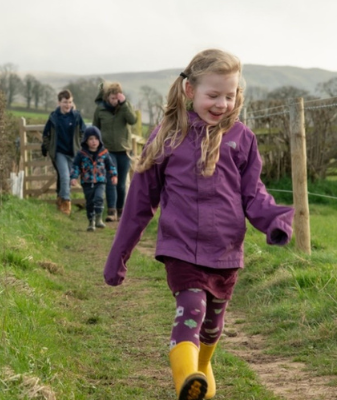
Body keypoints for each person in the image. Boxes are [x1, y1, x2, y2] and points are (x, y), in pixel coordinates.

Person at [103, 49, 294, 400]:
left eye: (230, 94)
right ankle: (185, 379)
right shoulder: (167, 137)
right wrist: (119, 255)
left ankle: (201, 371)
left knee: (212, 326)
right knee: (190, 309)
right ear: (190, 92)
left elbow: (253, 194)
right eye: (213, 95)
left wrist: (274, 221)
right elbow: (139, 203)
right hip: (181, 249)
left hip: (225, 252)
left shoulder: (242, 139)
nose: (223, 103)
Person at [93, 82, 137, 222]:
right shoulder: (100, 110)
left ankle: (120, 210)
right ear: (107, 97)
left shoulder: (125, 107)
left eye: (116, 98)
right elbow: (95, 129)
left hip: (123, 150)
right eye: (112, 98)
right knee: (111, 180)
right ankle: (111, 211)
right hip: (107, 150)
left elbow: (132, 120)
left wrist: (123, 104)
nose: (114, 101)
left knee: (121, 183)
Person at [42, 89, 86, 215]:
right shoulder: (54, 117)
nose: (68, 105)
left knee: (70, 178)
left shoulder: (76, 116)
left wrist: (81, 145)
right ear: (59, 103)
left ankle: (60, 199)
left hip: (74, 152)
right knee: (65, 177)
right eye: (65, 102)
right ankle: (66, 204)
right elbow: (46, 134)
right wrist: (47, 148)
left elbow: (83, 132)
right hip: (59, 152)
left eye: (70, 102)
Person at [70, 126, 118, 231]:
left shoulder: (104, 153)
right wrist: (74, 177)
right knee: (90, 202)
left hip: (100, 181)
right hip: (87, 182)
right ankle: (91, 221)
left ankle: (99, 218)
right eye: (91, 139)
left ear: (99, 140)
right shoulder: (81, 154)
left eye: (96, 139)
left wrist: (114, 175)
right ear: (86, 141)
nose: (94, 141)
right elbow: (75, 166)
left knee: (99, 198)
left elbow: (110, 165)